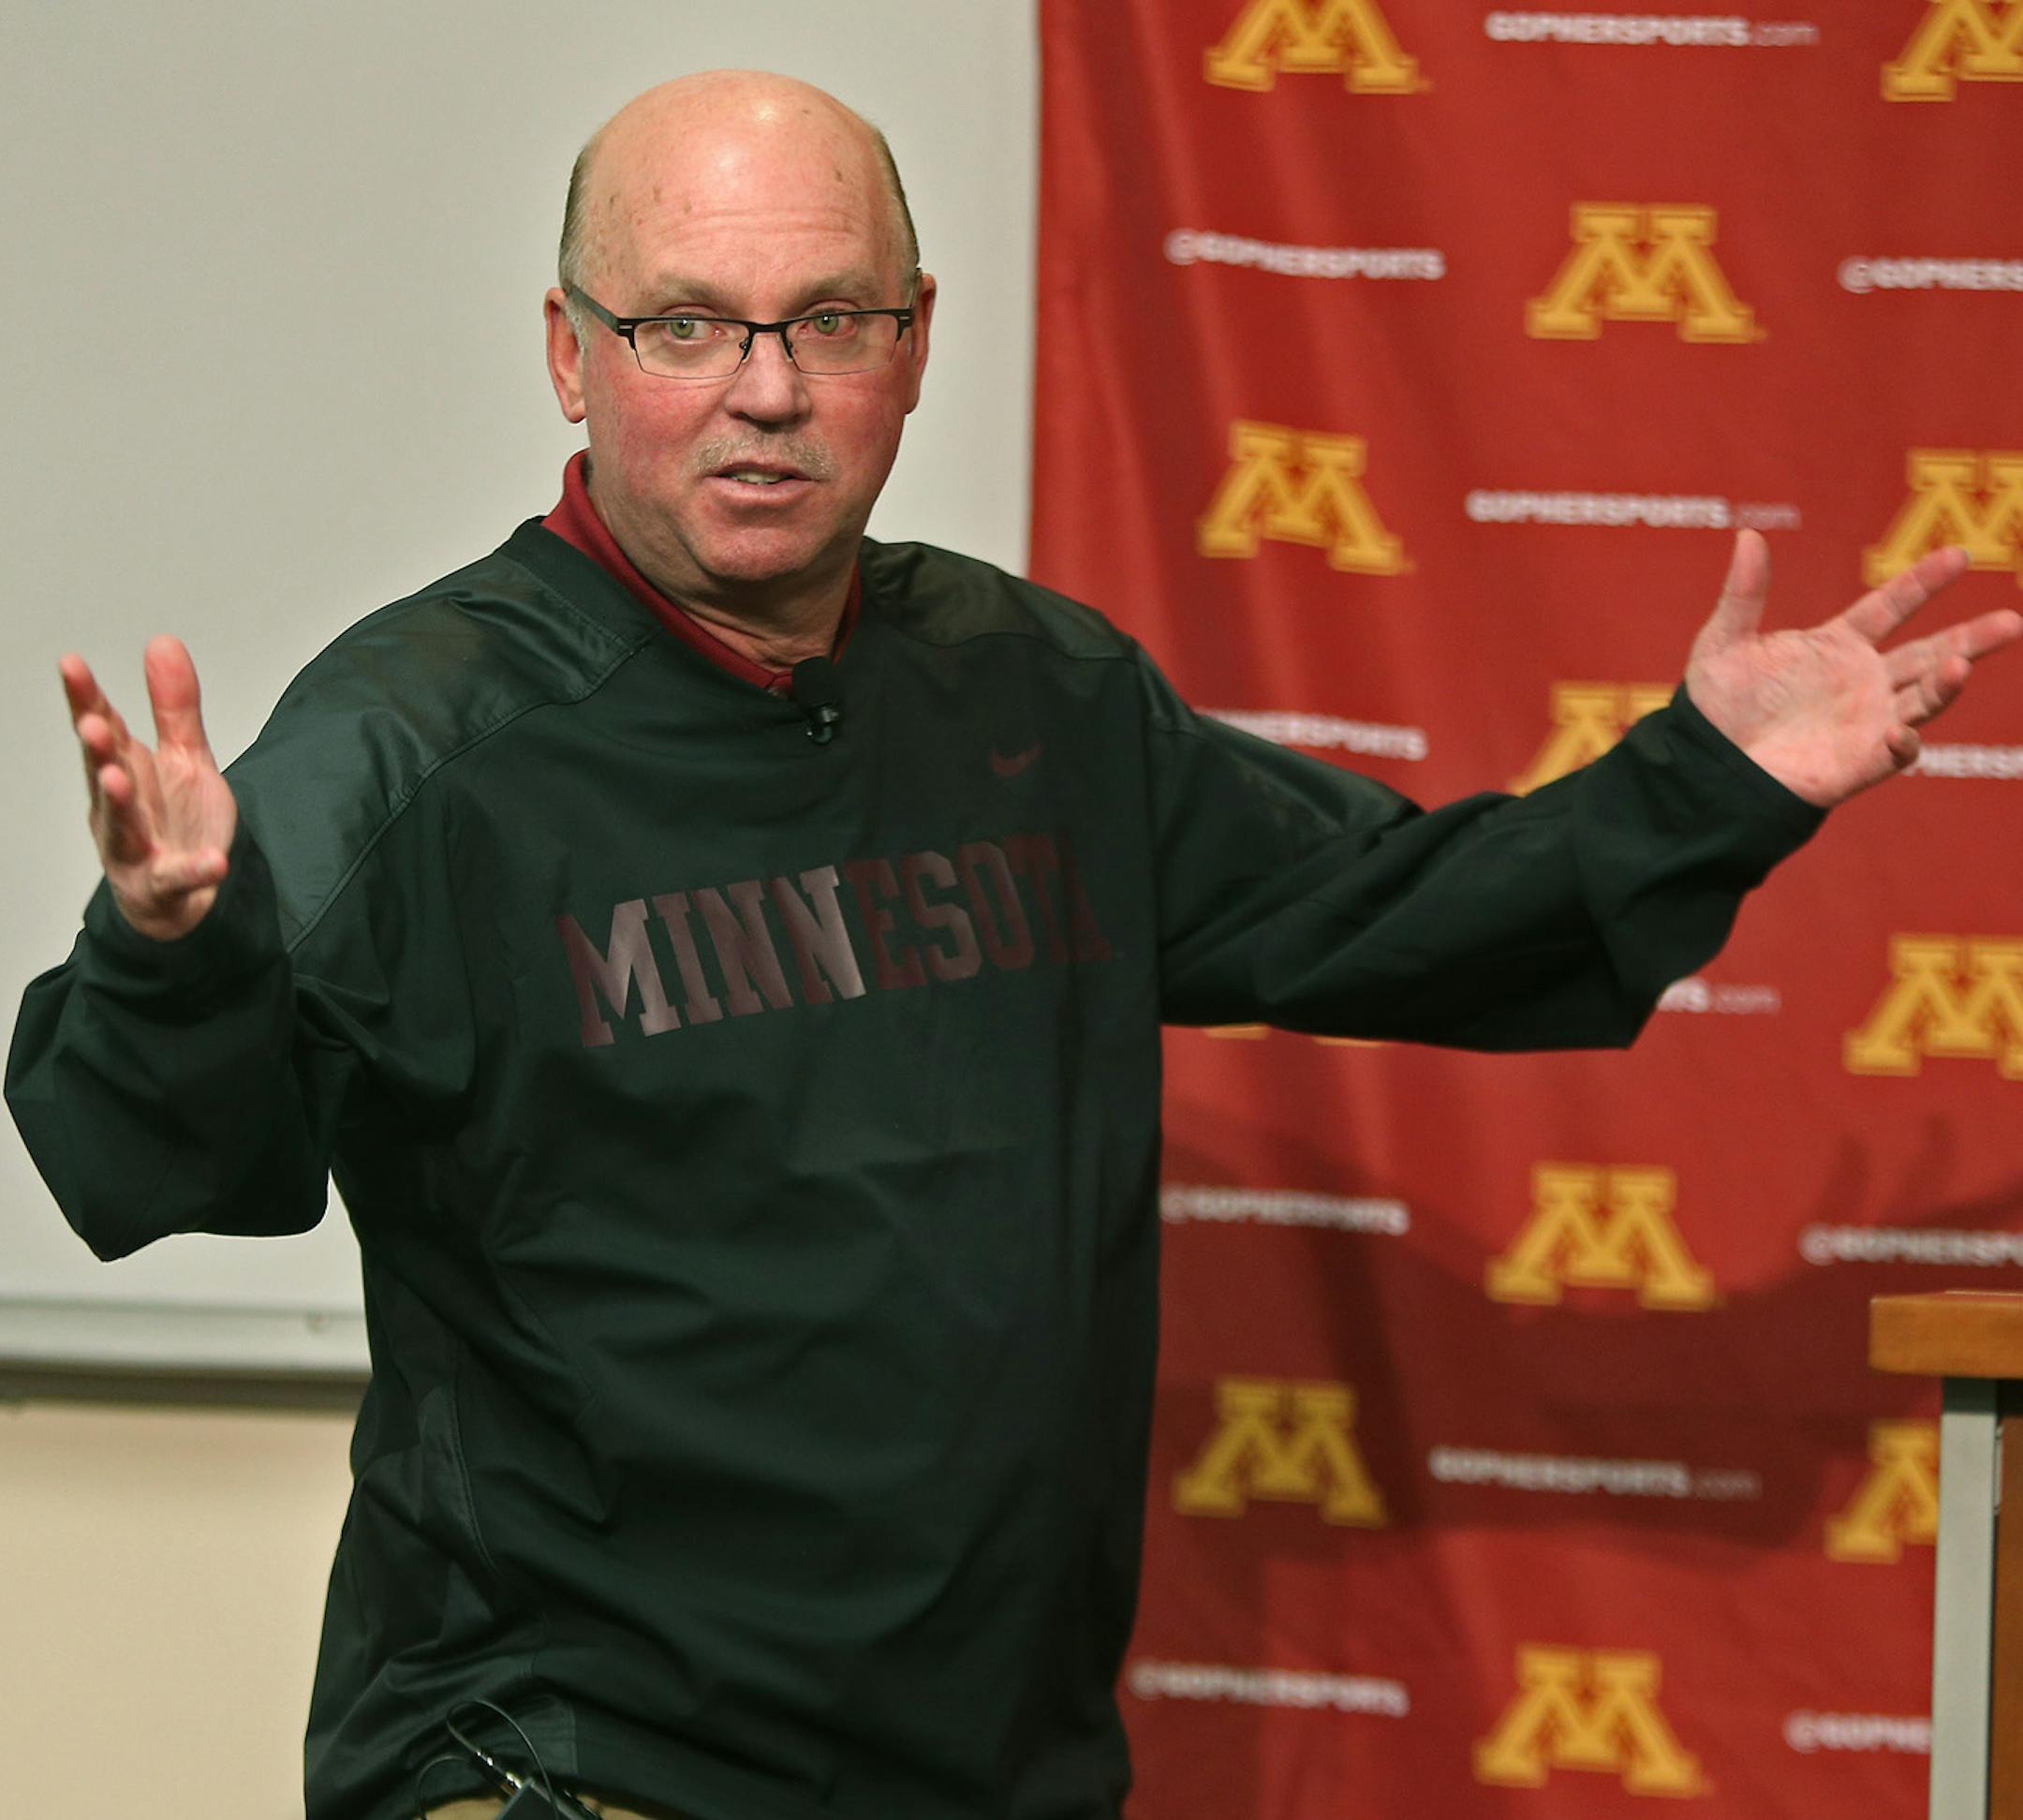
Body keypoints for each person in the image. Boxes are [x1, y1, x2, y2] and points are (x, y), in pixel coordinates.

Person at [7, 68, 2018, 1820]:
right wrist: (175, 946)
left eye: (832, 320)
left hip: (992, 1770)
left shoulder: (1030, 690)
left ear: (916, 341)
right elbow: (144, 1152)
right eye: (686, 325)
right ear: (570, 352)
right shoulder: (417, 740)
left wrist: (1710, 784)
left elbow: (1390, 913)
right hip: (576, 1764)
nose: (767, 392)